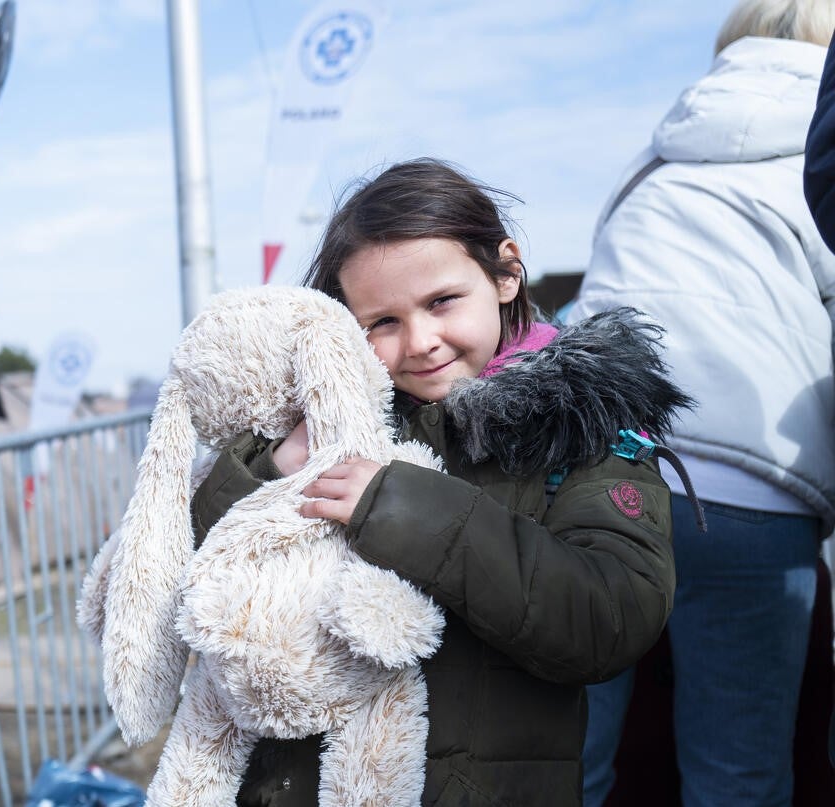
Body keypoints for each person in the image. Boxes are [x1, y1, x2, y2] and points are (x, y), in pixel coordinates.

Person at [189, 157, 688, 806]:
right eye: (383, 322)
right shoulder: (309, 419)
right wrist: (268, 467)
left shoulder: (586, 424)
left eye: (442, 301)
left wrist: (407, 510)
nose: (420, 340)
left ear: (506, 272)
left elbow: (612, 615)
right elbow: (189, 565)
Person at [572, 2, 835, 805]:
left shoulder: (654, 157)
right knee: (739, 772)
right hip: (756, 485)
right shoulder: (819, 156)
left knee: (562, 758)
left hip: (601, 471)